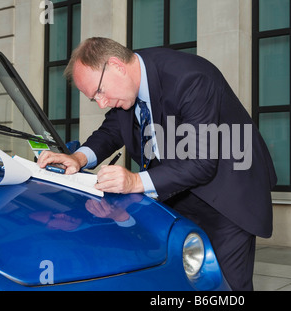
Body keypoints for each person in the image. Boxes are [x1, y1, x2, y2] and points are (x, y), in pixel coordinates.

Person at [37, 37, 277, 291]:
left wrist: (133, 181)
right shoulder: (127, 86)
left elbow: (200, 162)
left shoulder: (192, 79)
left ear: (117, 66)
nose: (101, 103)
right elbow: (112, 130)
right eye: (93, 98)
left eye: (99, 92)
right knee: (178, 278)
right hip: (176, 190)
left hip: (228, 193)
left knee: (222, 285)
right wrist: (79, 158)